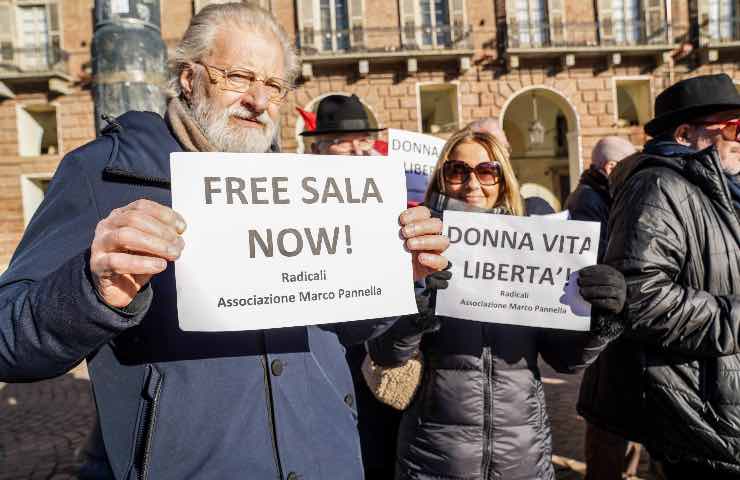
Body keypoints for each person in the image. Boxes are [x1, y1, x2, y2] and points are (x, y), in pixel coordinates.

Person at [0, 4, 449, 479]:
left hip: (327, 459)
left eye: (274, 86)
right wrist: (92, 291)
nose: (259, 100)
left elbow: (347, 329)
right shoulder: (104, 172)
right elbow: (8, 338)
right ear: (190, 78)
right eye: (238, 76)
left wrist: (401, 276)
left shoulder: (308, 186)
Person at [367, 128, 627, 480]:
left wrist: (600, 320)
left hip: (522, 457)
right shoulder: (414, 246)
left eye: (486, 171)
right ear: (441, 178)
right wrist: (418, 304)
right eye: (457, 171)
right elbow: (386, 352)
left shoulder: (536, 248)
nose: (472, 183)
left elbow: (565, 359)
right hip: (434, 458)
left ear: (503, 179)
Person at [577, 73, 740, 479]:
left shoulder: (718, 191)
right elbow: (642, 297)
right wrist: (735, 319)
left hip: (715, 400)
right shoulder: (658, 185)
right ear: (686, 134)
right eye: (735, 128)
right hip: (695, 414)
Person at [303, 93, 401, 480]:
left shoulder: (386, 197)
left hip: (378, 353)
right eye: (348, 142)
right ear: (320, 148)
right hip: (325, 355)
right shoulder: (293, 202)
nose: (361, 150)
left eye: (365, 140)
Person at [568, 137, 642, 480]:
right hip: (605, 319)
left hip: (618, 317)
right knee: (609, 418)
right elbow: (602, 256)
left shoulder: (605, 194)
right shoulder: (588, 201)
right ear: (611, 168)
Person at [566, 137, 636, 261]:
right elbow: (597, 256)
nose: (633, 176)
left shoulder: (595, 194)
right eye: (631, 169)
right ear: (611, 167)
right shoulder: (587, 200)